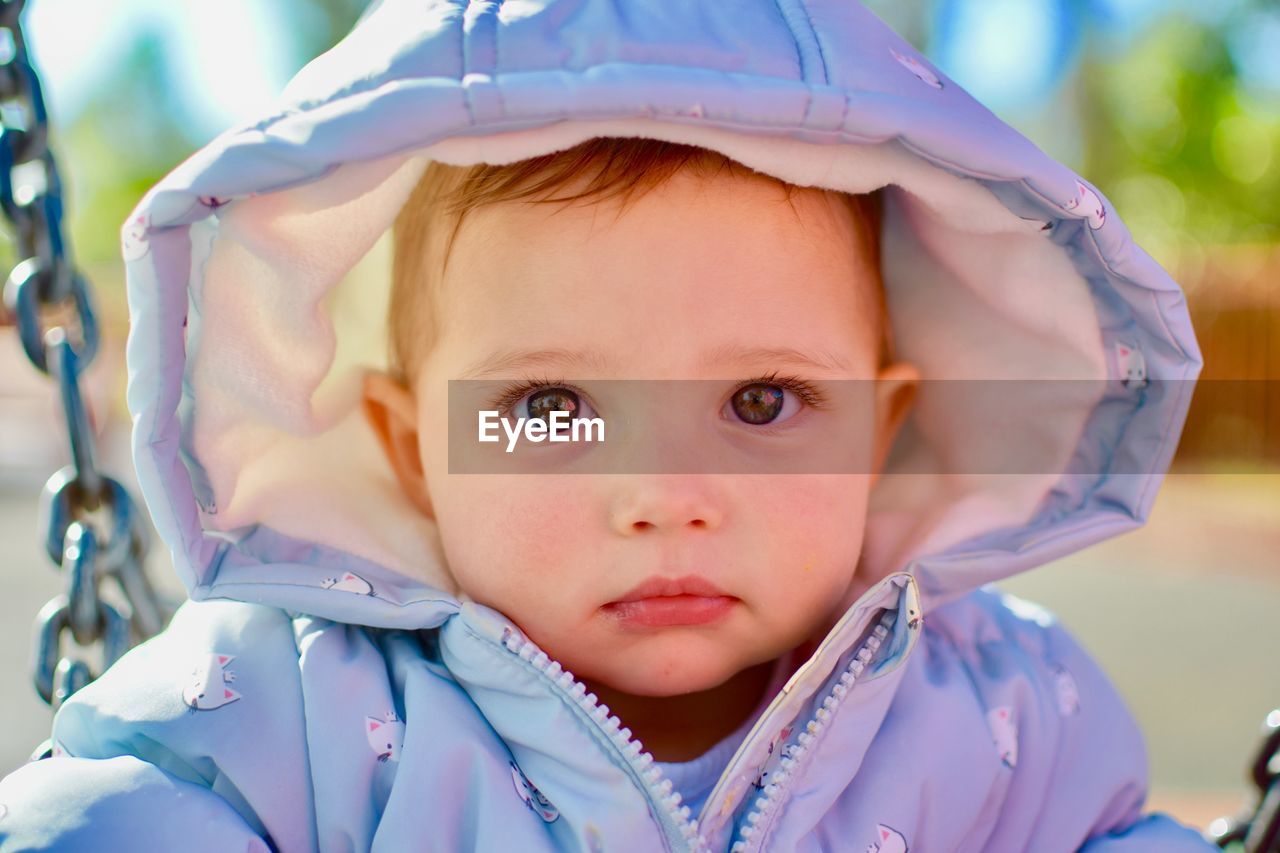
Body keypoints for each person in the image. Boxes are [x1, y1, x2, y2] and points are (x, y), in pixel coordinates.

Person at [0, 0, 1216, 850]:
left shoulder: (1003, 708)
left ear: (881, 429)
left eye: (761, 401)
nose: (665, 491)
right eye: (549, 406)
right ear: (406, 445)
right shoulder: (284, 702)